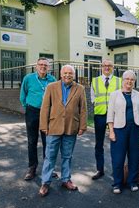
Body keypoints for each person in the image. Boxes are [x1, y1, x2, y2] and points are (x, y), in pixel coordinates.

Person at [38, 65, 87, 197]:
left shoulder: (80, 88)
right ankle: (45, 182)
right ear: (61, 74)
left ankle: (66, 179)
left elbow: (83, 109)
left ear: (74, 75)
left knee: (67, 156)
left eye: (70, 73)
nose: (67, 75)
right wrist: (43, 126)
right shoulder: (51, 87)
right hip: (53, 127)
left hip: (71, 127)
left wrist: (82, 126)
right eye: (65, 73)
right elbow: (45, 108)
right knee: (50, 156)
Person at [107, 70, 139, 194]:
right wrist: (111, 131)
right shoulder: (114, 95)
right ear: (122, 80)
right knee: (118, 158)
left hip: (135, 128)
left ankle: (132, 181)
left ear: (134, 81)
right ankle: (117, 183)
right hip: (119, 129)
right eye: (127, 79)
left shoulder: (138, 95)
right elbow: (110, 115)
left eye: (132, 79)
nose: (129, 81)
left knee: (134, 157)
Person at [20, 57, 56, 181]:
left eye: (45, 65)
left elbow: (55, 97)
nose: (43, 67)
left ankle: (48, 168)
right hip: (32, 111)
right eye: (40, 64)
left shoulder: (52, 80)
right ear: (36, 66)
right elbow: (23, 94)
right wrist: (27, 106)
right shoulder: (28, 78)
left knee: (48, 142)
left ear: (49, 67)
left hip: (47, 113)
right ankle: (32, 168)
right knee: (32, 141)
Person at [90, 60, 121, 180]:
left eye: (109, 66)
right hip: (100, 114)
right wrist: (96, 103)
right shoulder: (95, 80)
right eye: (105, 65)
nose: (107, 67)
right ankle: (100, 169)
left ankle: (116, 170)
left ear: (113, 67)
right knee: (99, 143)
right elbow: (92, 97)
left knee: (117, 143)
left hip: (115, 115)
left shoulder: (118, 80)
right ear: (101, 67)